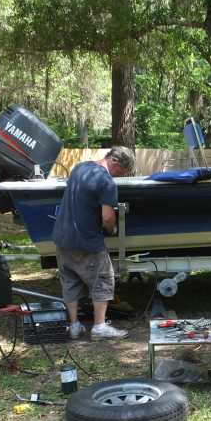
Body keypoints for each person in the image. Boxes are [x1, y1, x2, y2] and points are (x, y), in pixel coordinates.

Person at [52, 146, 135, 340]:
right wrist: (112, 229)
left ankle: (74, 326)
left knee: (70, 281)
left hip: (62, 238)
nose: (119, 176)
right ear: (115, 163)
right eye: (121, 172)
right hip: (87, 240)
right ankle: (99, 326)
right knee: (104, 279)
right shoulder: (106, 181)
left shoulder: (80, 168)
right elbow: (107, 217)